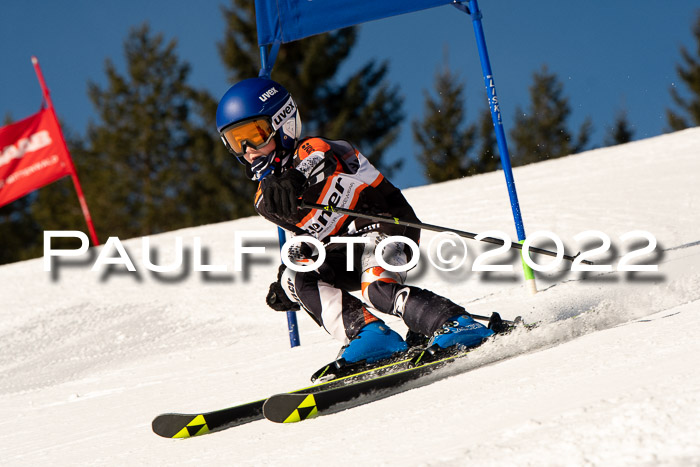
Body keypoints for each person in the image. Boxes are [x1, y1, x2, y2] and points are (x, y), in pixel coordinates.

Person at [216, 77, 494, 365]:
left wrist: (295, 178)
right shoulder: (266, 199)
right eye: (236, 141)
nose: (247, 149)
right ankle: (371, 336)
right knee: (294, 276)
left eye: (254, 134)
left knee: (376, 289)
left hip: (385, 224)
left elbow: (319, 158)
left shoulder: (314, 149)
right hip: (344, 249)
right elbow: (307, 237)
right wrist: (284, 282)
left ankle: (455, 323)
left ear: (283, 123)